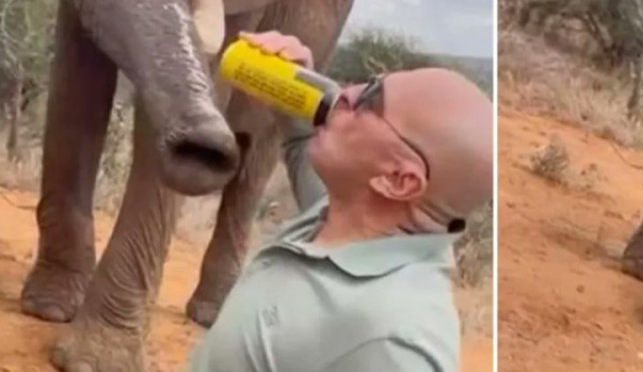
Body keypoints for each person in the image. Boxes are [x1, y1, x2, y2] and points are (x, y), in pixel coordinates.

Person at [187, 31, 494, 372]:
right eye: (369, 82)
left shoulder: (396, 340)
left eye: (370, 102)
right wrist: (293, 84)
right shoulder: (343, 216)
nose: (345, 92)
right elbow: (302, 139)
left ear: (398, 180)